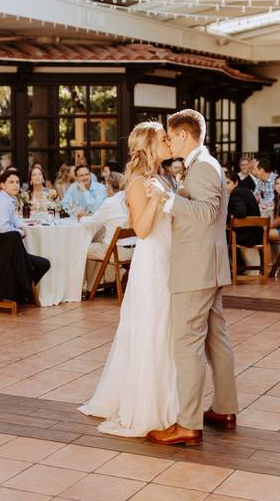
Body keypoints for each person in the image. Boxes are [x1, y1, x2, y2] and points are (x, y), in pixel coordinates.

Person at [78, 121, 180, 437]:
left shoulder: (158, 177)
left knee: (165, 329)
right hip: (152, 262)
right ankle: (149, 406)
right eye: (164, 139)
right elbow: (143, 229)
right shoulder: (138, 182)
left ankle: (169, 401)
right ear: (149, 145)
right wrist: (158, 200)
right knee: (153, 328)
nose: (169, 142)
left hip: (167, 257)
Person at [144, 109, 238, 447]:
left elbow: (208, 213)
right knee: (216, 340)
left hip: (196, 269)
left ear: (183, 135)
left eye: (170, 136)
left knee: (187, 345)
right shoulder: (204, 166)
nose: (168, 142)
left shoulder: (204, 167)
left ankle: (187, 424)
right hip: (208, 266)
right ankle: (225, 408)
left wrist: (168, 199)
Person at [0, 169, 51, 284]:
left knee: (39, 262)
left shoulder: (8, 198)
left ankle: (22, 289)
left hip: (4, 245)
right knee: (43, 264)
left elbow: (13, 218)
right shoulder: (2, 201)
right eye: (11, 182)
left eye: (17, 182)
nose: (16, 185)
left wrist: (20, 226)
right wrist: (21, 232)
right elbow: (3, 228)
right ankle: (24, 290)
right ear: (2, 185)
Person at [81, 172, 131, 288]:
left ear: (108, 186)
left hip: (117, 253)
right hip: (133, 250)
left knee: (83, 248)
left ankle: (88, 287)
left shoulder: (110, 202)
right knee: (101, 243)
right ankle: (109, 279)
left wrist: (81, 218)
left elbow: (93, 222)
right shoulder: (129, 199)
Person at [225, 169, 263, 264]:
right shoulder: (244, 190)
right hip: (255, 233)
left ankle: (234, 268)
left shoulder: (236, 193)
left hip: (248, 236)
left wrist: (226, 219)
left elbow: (240, 212)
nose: (225, 187)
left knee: (219, 236)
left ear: (236, 182)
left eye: (228, 183)